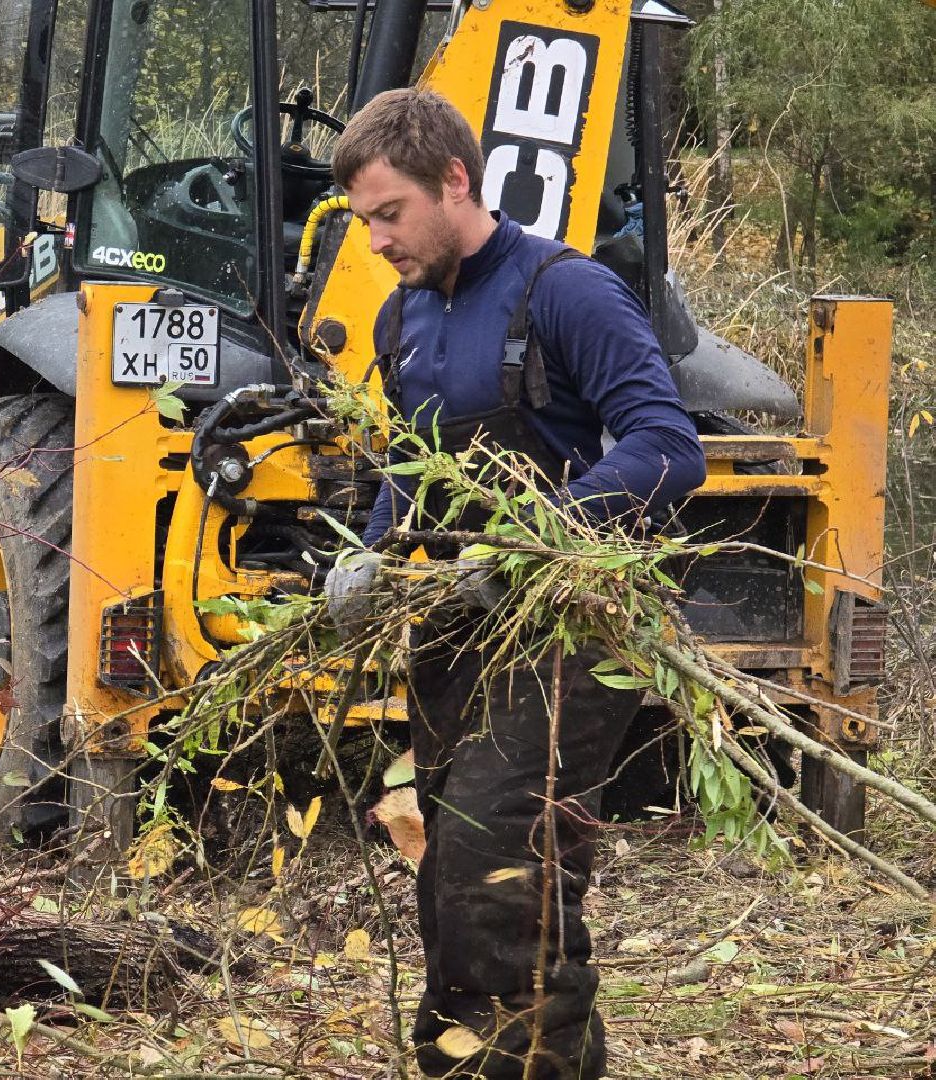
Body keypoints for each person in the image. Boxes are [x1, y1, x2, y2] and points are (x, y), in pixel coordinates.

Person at [325, 89, 706, 1079]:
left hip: (571, 625)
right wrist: (370, 555)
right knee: (453, 877)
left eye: (388, 214)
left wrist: (540, 532)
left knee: (496, 872)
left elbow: (670, 451)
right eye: (363, 221)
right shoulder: (398, 316)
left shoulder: (565, 292)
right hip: (457, 632)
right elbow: (413, 473)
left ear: (454, 180)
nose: (375, 241)